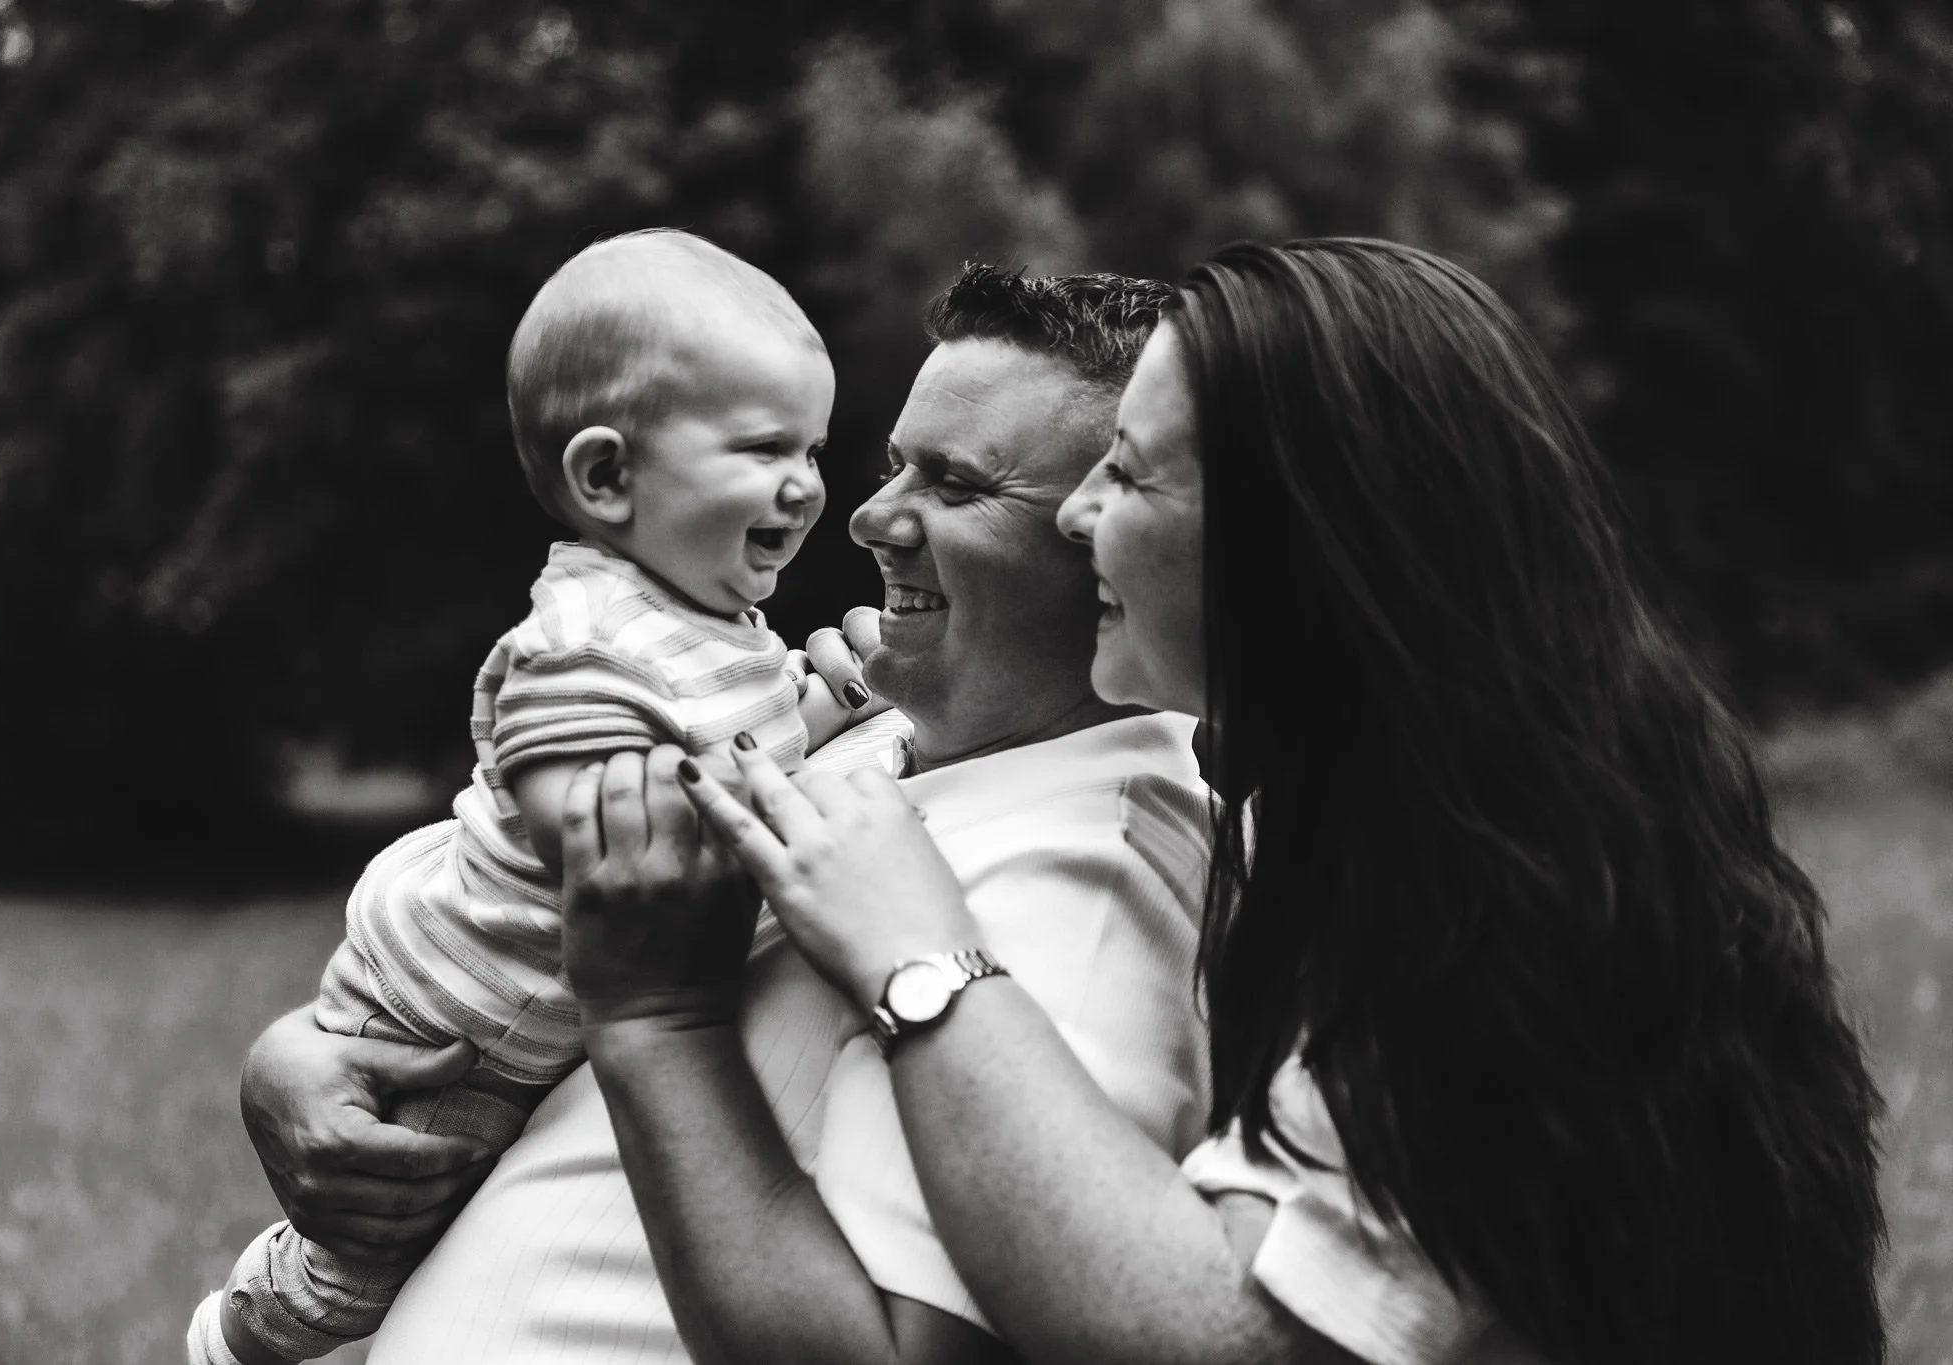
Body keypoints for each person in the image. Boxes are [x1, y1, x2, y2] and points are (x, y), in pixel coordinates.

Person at [630, 239, 1885, 1365]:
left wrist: (915, 951)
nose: (1079, 518)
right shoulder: (1491, 810)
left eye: (1128, 476)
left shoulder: (1499, 917)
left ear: (1297, 537)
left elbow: (1214, 1333)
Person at [229, 267, 1217, 1363]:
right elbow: (508, 883)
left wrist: (654, 1018)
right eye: (893, 465)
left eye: (956, 484)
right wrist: (302, 1054)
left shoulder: (1089, 889)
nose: (867, 517)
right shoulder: (878, 731)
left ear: (1111, 533)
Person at [189, 227, 836, 1365]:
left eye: (814, 449)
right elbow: (593, 833)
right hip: (464, 1016)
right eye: (763, 447)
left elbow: (758, 734)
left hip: (539, 1009)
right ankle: (238, 1332)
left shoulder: (714, 621)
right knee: (372, 1246)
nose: (808, 484)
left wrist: (836, 704)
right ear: (606, 477)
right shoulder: (583, 641)